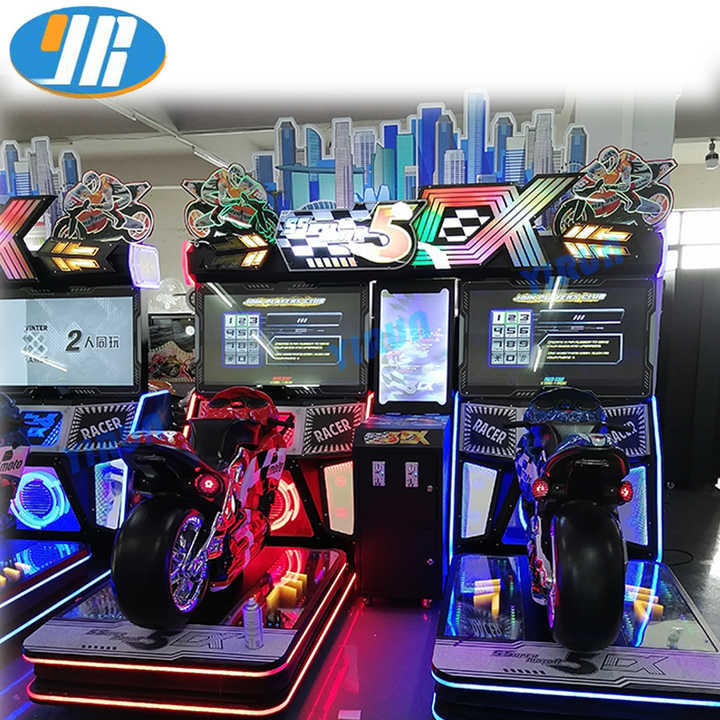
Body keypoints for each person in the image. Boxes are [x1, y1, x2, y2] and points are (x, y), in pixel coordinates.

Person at [573, 146, 661, 216]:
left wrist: (609, 187)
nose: (606, 166)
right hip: (628, 172)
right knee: (612, 183)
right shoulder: (616, 162)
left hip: (643, 178)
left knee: (622, 187)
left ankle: (636, 201)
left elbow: (626, 186)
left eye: (607, 164)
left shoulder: (624, 165)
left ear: (613, 160)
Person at [196, 164, 268, 229]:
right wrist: (236, 201)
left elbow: (249, 185)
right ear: (231, 175)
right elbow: (222, 201)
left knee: (236, 194)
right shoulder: (223, 182)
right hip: (209, 194)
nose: (238, 181)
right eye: (236, 178)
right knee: (228, 202)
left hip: (226, 188)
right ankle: (214, 216)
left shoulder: (238, 179)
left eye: (239, 178)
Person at [63, 170, 132, 229]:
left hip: (124, 198)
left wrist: (96, 206)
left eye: (90, 186)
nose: (89, 188)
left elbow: (109, 206)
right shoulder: (95, 186)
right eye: (87, 185)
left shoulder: (106, 188)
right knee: (96, 202)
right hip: (105, 193)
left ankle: (120, 219)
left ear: (96, 182)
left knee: (104, 206)